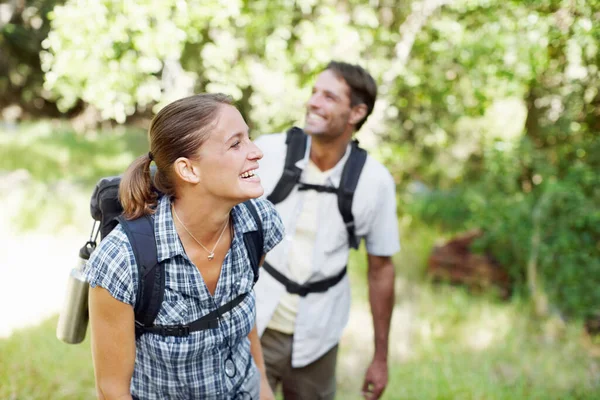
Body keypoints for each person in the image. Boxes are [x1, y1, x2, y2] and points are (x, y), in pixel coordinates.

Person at [83, 93, 285, 399]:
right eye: (236, 144)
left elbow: (242, 306)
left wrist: (264, 386)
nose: (256, 152)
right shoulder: (121, 261)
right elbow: (111, 389)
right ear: (188, 169)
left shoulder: (260, 223)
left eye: (249, 138)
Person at [254, 61, 400, 400]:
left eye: (329, 97)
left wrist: (380, 358)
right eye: (314, 92)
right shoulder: (268, 152)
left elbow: (381, 271)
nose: (314, 102)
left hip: (320, 334)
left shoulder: (375, 182)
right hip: (255, 321)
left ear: (356, 113)